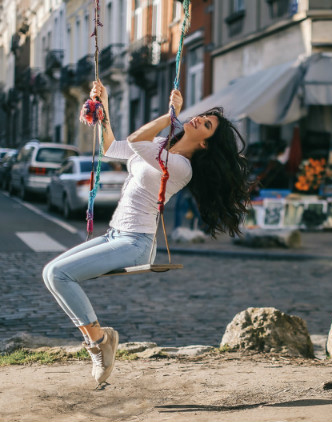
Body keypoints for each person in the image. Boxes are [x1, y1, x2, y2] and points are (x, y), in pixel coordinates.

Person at [42, 80, 250, 387]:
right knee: (50, 273)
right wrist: (105, 104)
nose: (198, 119)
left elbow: (136, 139)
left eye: (206, 124)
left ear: (205, 143)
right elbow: (112, 147)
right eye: (203, 116)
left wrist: (171, 115)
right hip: (115, 235)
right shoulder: (161, 148)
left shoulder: (180, 166)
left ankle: (98, 345)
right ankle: (101, 339)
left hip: (135, 242)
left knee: (60, 274)